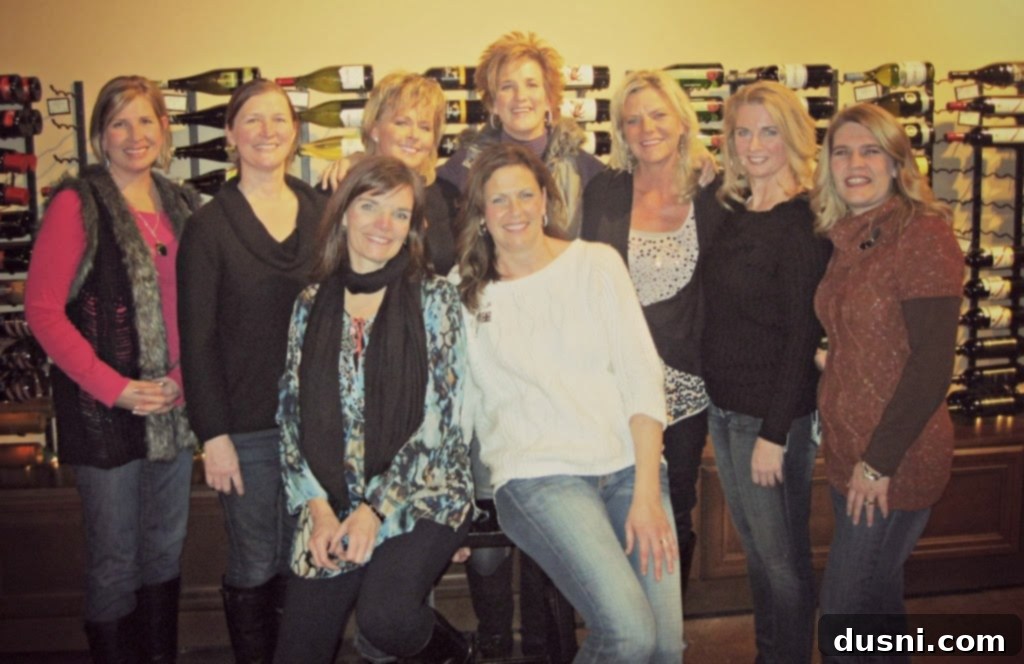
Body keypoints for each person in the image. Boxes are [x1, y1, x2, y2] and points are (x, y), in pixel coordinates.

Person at [457, 143, 683, 663]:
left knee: (666, 648)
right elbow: (457, 414)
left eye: (524, 195)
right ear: (482, 215)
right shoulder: (466, 296)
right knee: (628, 635)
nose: (514, 211)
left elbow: (641, 376)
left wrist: (648, 491)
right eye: (498, 201)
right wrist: (450, 508)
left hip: (631, 469)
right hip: (539, 479)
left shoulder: (597, 264)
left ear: (544, 200)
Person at [24, 75, 200, 662]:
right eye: (119, 123)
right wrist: (117, 389)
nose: (134, 135)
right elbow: (43, 313)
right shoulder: (79, 203)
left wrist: (181, 379)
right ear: (100, 136)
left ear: (164, 129)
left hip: (172, 414)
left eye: (145, 120)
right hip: (104, 416)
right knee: (115, 559)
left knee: (164, 551)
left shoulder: (180, 204)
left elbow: (197, 307)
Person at [272, 156, 474, 664]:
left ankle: (456, 654)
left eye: (400, 214)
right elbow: (290, 416)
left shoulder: (436, 300)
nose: (384, 225)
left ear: (413, 228)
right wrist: (317, 511)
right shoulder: (310, 302)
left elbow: (439, 425)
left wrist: (373, 510)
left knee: (385, 620)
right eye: (370, 207)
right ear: (343, 213)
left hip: (424, 492)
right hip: (333, 493)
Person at [176, 79, 325, 662]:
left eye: (279, 120)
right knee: (257, 559)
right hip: (246, 430)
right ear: (231, 135)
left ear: (294, 133)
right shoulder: (209, 227)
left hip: (314, 427)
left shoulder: (321, 211)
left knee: (307, 556)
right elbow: (198, 340)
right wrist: (213, 436)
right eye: (253, 121)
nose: (267, 132)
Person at [812, 103, 961, 660]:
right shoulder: (848, 235)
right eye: (842, 151)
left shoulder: (922, 235)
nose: (855, 163)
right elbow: (870, 332)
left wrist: (878, 463)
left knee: (845, 615)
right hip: (849, 452)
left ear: (898, 163)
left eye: (870, 150)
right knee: (878, 606)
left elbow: (930, 367)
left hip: (892, 459)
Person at [581, 69, 725, 601]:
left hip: (684, 387)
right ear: (621, 130)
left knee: (673, 507)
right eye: (634, 119)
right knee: (613, 504)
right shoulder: (605, 191)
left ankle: (667, 627)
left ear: (683, 121)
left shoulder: (713, 193)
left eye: (659, 114)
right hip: (612, 387)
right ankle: (626, 623)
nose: (647, 128)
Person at [700, 81, 831, 664]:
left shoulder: (802, 221)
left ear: (794, 138)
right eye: (743, 131)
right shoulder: (732, 211)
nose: (754, 144)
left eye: (768, 131)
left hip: (770, 421)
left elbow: (803, 336)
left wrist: (775, 436)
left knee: (783, 564)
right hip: (725, 411)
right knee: (758, 555)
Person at [438, 31, 605, 238]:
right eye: (507, 87)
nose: (520, 97)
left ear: (549, 99)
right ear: (493, 104)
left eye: (532, 84)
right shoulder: (463, 168)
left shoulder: (586, 171)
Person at [360, 71, 460, 276]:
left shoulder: (446, 196)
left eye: (425, 127)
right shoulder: (344, 190)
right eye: (402, 123)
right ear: (375, 129)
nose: (414, 135)